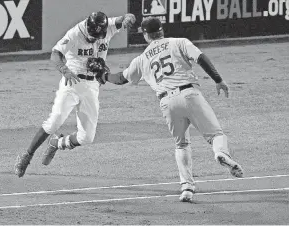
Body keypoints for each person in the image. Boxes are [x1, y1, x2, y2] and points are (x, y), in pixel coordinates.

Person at [102, 17, 244, 202]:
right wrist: (218, 79)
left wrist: (103, 75)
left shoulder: (141, 58)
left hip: (167, 103)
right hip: (189, 95)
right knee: (216, 135)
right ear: (161, 31)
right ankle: (221, 153)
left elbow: (121, 78)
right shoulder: (179, 42)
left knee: (182, 144)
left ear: (146, 35)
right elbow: (201, 58)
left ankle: (187, 188)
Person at [14, 11, 136, 178]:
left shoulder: (107, 26)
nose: (95, 39)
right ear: (88, 27)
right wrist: (64, 70)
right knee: (54, 122)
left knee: (87, 137)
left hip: (92, 85)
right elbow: (55, 54)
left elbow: (126, 18)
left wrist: (129, 18)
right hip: (72, 82)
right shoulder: (75, 34)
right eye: (93, 36)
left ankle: (56, 143)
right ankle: (27, 156)